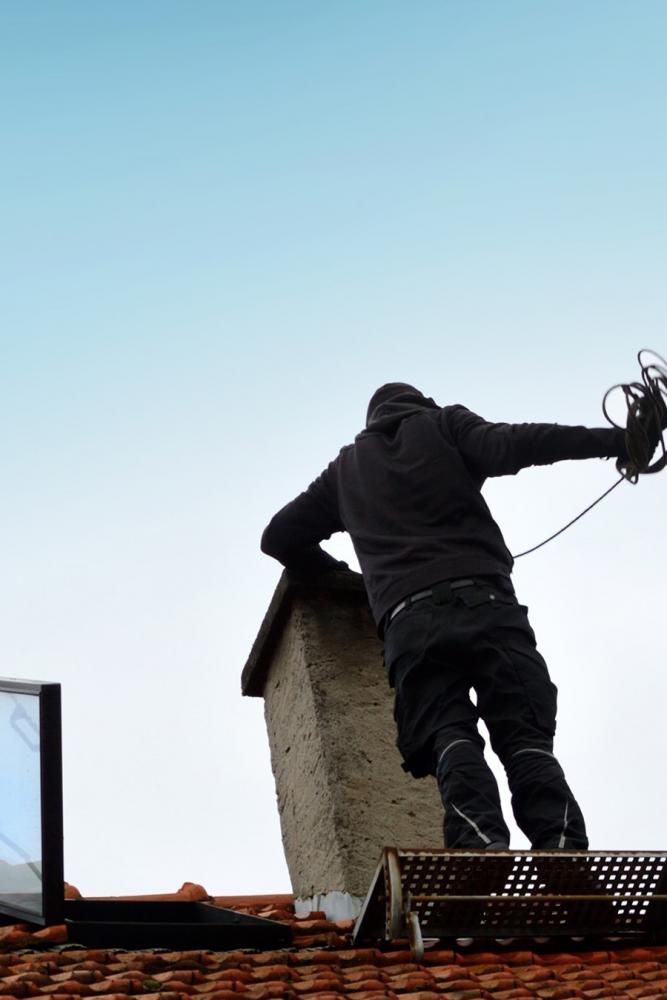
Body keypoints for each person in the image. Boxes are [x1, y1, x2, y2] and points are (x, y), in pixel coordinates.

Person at [260, 383, 632, 850]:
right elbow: (525, 441)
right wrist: (617, 441)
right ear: (424, 404)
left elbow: (278, 538)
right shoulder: (445, 425)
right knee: (524, 738)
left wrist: (338, 574)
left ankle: (478, 848)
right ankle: (562, 852)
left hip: (409, 625)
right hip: (487, 607)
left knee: (449, 736)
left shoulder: (345, 471)